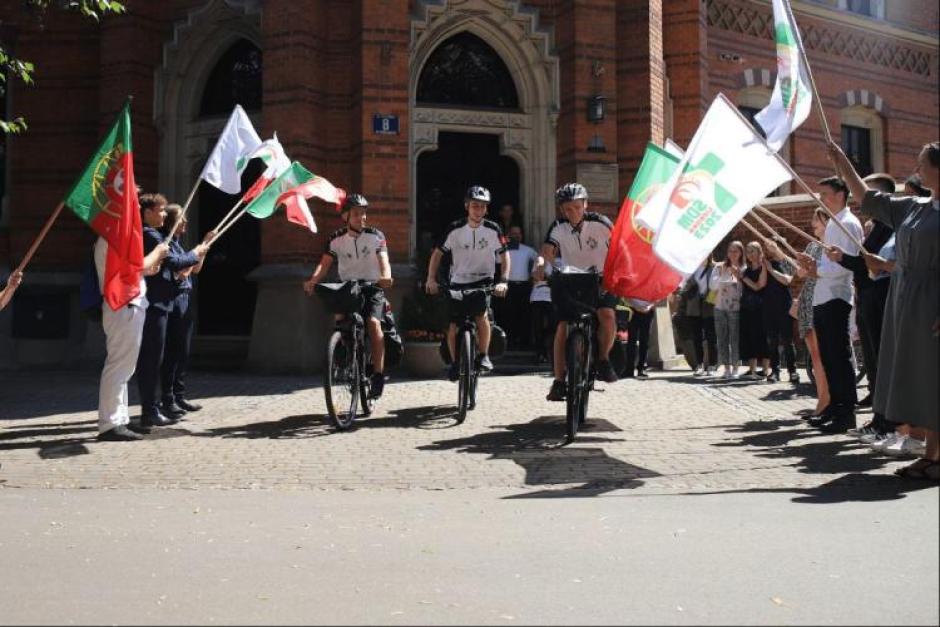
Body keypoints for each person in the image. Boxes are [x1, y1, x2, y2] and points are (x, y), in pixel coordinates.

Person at [828, 140, 939, 480]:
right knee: (918, 377)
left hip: (933, 304)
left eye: (922, 163)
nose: (917, 169)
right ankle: (931, 455)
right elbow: (865, 196)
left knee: (934, 377)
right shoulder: (914, 207)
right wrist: (842, 160)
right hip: (905, 302)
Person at [824, 173, 895, 435]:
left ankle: (888, 422)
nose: (861, 197)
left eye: (868, 192)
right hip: (866, 295)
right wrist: (842, 257)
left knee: (881, 357)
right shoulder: (874, 227)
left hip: (880, 295)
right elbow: (864, 264)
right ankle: (879, 419)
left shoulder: (890, 226)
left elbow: (879, 264)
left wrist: (849, 259)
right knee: (873, 359)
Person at [304, 193, 394, 397]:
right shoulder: (335, 240)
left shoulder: (376, 236)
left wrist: (386, 276)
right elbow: (324, 265)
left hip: (372, 286)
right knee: (340, 319)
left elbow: (384, 260)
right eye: (356, 214)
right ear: (345, 217)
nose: (361, 217)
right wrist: (313, 281)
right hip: (347, 286)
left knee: (373, 323)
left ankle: (378, 375)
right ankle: (344, 352)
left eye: (363, 214)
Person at [534, 183, 618, 401]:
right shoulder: (558, 226)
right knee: (563, 325)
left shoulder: (600, 223)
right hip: (572, 279)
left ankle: (603, 359)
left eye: (577, 207)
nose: (573, 213)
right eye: (568, 209)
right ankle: (559, 381)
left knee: (607, 315)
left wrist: (617, 274)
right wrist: (541, 266)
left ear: (585, 204)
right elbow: (547, 251)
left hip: (600, 278)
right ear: (562, 210)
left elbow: (618, 247)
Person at [136, 194, 211, 427]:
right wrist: (196, 251)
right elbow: (178, 265)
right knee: (151, 359)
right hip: (155, 302)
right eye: (160, 211)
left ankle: (158, 405)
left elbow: (183, 265)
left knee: (170, 354)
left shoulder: (161, 237)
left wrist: (199, 251)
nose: (163, 215)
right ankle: (151, 408)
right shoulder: (151, 235)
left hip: (165, 301)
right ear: (147, 213)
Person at [796, 176, 863, 433]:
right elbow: (828, 264)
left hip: (836, 296)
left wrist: (817, 271)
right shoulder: (835, 223)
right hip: (823, 296)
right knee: (828, 357)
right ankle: (834, 407)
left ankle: (846, 412)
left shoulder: (848, 224)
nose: (820, 198)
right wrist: (813, 267)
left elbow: (846, 264)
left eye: (824, 193)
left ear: (840, 194)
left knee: (838, 356)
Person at [425, 186, 509, 381]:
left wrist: (503, 280)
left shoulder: (493, 229)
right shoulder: (455, 228)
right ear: (467, 207)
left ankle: (483, 355)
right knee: (453, 325)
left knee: (481, 316)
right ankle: (455, 363)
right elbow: (437, 253)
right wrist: (431, 278)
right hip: (459, 280)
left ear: (486, 209)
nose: (478, 210)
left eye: (482, 207)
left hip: (483, 280)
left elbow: (504, 256)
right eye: (474, 206)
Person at [96, 229, 169, 441]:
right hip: (123, 305)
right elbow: (135, 266)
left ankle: (119, 419)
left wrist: (145, 270)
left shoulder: (113, 235)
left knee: (125, 367)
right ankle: (110, 423)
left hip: (127, 304)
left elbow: (128, 270)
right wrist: (157, 251)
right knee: (119, 366)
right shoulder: (113, 236)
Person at [160, 205, 214, 417]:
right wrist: (198, 250)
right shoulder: (166, 245)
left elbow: (195, 269)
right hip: (173, 300)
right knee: (172, 352)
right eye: (182, 219)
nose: (186, 223)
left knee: (182, 351)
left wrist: (204, 247)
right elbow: (181, 270)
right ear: (172, 222)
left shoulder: (178, 245)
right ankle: (167, 398)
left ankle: (179, 395)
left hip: (184, 299)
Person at [795, 209, 831, 417]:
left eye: (816, 220)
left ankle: (827, 400)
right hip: (808, 299)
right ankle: (822, 398)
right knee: (815, 355)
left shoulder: (830, 246)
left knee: (823, 354)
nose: (812, 224)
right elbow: (800, 273)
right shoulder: (811, 245)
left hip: (822, 298)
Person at [761, 239, 798, 383]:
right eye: (766, 247)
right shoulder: (766, 263)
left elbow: (787, 280)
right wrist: (765, 268)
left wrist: (771, 270)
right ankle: (775, 371)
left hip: (784, 304)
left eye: (770, 246)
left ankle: (792, 371)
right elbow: (762, 283)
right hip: (769, 305)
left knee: (788, 340)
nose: (768, 249)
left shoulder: (787, 262)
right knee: (772, 340)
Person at [497, 224, 538, 350]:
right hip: (508, 286)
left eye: (518, 234)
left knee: (524, 315)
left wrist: (535, 274)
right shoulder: (502, 251)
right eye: (513, 234)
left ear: (521, 236)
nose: (516, 236)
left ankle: (524, 343)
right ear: (508, 235)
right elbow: (496, 265)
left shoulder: (528, 250)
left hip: (524, 287)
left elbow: (539, 260)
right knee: (508, 315)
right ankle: (508, 343)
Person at [711, 240, 745, 379]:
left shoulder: (744, 268)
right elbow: (712, 286)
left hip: (736, 308)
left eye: (736, 251)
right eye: (730, 251)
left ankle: (736, 368)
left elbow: (745, 287)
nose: (732, 254)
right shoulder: (720, 267)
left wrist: (738, 276)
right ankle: (726, 368)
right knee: (722, 338)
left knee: (735, 338)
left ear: (741, 252)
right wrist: (722, 275)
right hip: (719, 307)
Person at [739, 241, 771, 380]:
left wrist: (743, 278)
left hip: (760, 307)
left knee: (761, 337)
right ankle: (751, 369)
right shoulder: (746, 269)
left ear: (759, 252)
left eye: (753, 251)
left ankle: (764, 370)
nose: (750, 254)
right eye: (748, 251)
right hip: (746, 306)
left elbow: (759, 286)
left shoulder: (763, 267)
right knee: (748, 337)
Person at [529, 255, 558, 365]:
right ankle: (540, 353)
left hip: (553, 298)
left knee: (553, 326)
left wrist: (548, 277)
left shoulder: (561, 259)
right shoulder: (539, 259)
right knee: (538, 327)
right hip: (538, 297)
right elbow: (536, 277)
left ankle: (549, 351)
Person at [624, 300, 654, 379]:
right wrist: (636, 307)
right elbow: (626, 295)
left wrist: (649, 307)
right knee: (631, 341)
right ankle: (629, 369)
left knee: (644, 341)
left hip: (648, 311)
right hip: (633, 311)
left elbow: (657, 297)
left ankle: (641, 369)